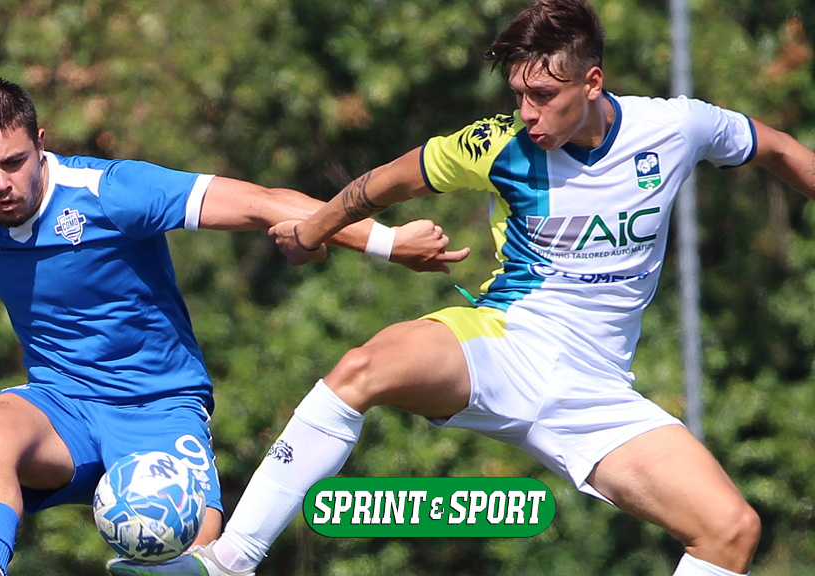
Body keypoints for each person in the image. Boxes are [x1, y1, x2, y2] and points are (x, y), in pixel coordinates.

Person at [110, 1, 815, 575]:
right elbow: (386, 182)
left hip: (598, 391)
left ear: (593, 83)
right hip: (503, 344)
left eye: (544, 95)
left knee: (731, 529)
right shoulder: (499, 143)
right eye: (519, 95)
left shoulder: (676, 127)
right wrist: (314, 230)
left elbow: (778, 147)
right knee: (362, 368)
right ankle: (229, 561)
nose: (528, 112)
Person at [0, 78, 469, 576]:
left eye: (13, 162)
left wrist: (387, 243)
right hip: (62, 410)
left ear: (40, 145)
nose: (0, 183)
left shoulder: (113, 192)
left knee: (201, 562)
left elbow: (265, 204)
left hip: (159, 410)